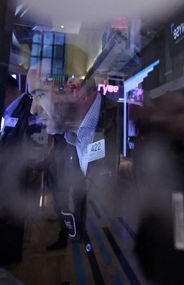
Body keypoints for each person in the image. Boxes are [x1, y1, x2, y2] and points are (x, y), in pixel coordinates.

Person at [27, 70, 122, 253]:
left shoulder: (129, 122)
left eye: (40, 94)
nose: (33, 109)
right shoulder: (66, 135)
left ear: (73, 88)